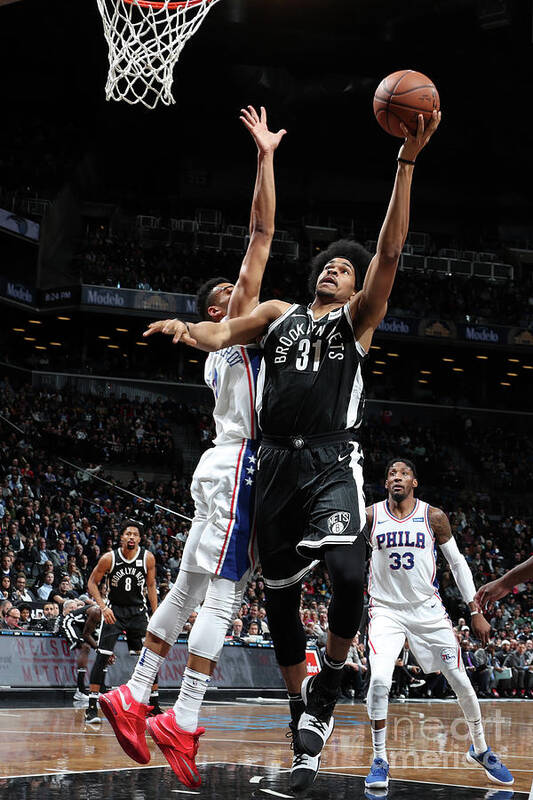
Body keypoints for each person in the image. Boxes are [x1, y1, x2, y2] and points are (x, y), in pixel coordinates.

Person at [155, 111, 440, 792]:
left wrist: (405, 160)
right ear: (315, 277)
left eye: (347, 269)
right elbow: (222, 324)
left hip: (331, 462)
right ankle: (302, 742)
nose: (338, 271)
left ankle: (328, 684)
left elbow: (390, 255)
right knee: (280, 608)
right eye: (331, 265)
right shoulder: (278, 315)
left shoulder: (356, 323)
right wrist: (187, 330)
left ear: (353, 287)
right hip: (272, 466)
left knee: (346, 575)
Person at [98, 105, 285, 787]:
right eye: (231, 292)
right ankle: (177, 714)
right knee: (224, 597)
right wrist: (264, 157)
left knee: (188, 586)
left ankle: (137, 694)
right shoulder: (236, 325)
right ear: (220, 308)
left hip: (227, 465)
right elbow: (260, 231)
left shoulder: (223, 344)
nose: (244, 291)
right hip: (237, 463)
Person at [363, 459, 513, 790]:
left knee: (461, 681)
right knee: (379, 681)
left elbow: (458, 564)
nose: (396, 477)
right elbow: (347, 556)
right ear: (386, 483)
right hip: (385, 610)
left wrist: (475, 608)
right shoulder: (370, 517)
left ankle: (481, 749)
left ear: (414, 482)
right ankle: (379, 759)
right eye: (391, 473)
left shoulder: (433, 517)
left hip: (428, 611)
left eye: (403, 473)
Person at [84, 519, 158, 724]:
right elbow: (92, 582)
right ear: (121, 537)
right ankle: (91, 707)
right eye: (128, 533)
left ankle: (154, 705)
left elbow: (151, 586)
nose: (131, 537)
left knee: (149, 658)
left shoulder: (147, 558)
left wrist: (156, 614)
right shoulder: (110, 558)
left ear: (140, 539)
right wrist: (103, 607)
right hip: (114, 612)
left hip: (138, 613)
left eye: (135, 534)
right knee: (102, 656)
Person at [59, 598, 102, 701]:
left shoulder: (108, 616)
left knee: (103, 650)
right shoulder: (96, 611)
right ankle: (80, 690)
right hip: (71, 622)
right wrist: (97, 648)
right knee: (85, 647)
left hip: (82, 626)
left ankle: (100, 689)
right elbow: (86, 635)